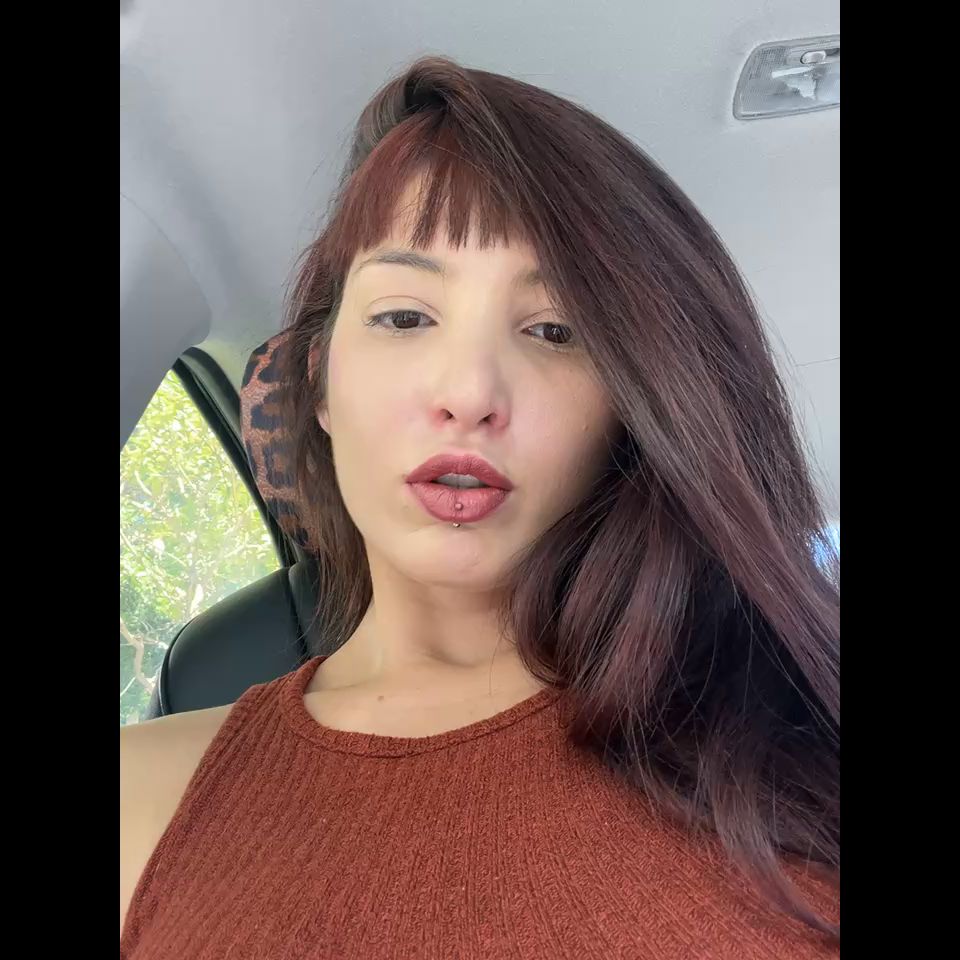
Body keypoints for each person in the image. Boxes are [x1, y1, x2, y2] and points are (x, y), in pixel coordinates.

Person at [120, 55, 840, 958]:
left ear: (630, 407)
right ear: (321, 381)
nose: (468, 393)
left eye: (554, 330)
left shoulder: (797, 728)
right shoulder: (140, 801)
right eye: (404, 317)